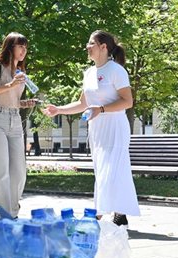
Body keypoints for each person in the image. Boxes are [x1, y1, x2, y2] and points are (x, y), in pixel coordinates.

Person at [43, 30, 140, 226]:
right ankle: (119, 214)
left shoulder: (117, 71)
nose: (87, 47)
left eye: (91, 43)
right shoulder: (89, 73)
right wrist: (59, 110)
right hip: (97, 129)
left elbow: (128, 102)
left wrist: (101, 109)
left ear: (104, 47)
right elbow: (83, 104)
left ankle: (97, 215)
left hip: (115, 127)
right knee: (103, 170)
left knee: (111, 170)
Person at [0, 32, 37, 218]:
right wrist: (11, 85)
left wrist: (25, 103)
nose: (24, 50)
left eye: (26, 47)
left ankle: (12, 212)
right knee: (1, 173)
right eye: (20, 46)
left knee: (19, 172)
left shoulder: (20, 72)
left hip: (15, 121)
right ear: (10, 47)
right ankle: (2, 217)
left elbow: (12, 99)